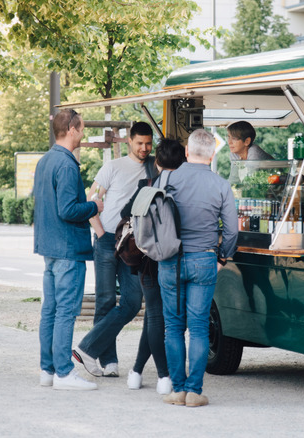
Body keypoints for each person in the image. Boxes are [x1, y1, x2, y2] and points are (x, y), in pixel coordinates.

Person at [72, 122, 158, 380]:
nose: (144, 148)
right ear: (129, 141)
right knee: (106, 301)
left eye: (148, 144)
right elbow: (92, 198)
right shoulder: (113, 167)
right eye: (140, 143)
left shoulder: (153, 167)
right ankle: (108, 360)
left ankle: (86, 348)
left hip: (133, 244)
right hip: (108, 238)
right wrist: (99, 233)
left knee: (132, 302)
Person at [160, 129, 238, 407]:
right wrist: (222, 258)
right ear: (212, 154)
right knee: (199, 328)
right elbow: (231, 231)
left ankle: (177, 390)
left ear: (186, 152)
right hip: (204, 260)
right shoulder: (220, 185)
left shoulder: (168, 178)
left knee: (173, 327)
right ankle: (194, 391)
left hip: (170, 260)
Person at [33, 109, 103, 390]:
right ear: (72, 129)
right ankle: (63, 372)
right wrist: (94, 206)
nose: (83, 133)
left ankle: (48, 370)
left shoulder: (45, 161)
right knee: (64, 312)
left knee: (49, 311)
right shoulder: (67, 164)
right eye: (82, 128)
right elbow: (68, 209)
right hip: (68, 248)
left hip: (49, 247)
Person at [126, 138, 186, 393]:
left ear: (157, 162)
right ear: (183, 161)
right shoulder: (185, 187)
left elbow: (124, 213)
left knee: (153, 317)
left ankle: (137, 372)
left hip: (149, 261)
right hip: (177, 260)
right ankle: (163, 375)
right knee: (162, 319)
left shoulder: (146, 186)